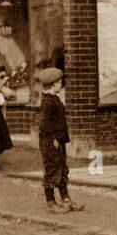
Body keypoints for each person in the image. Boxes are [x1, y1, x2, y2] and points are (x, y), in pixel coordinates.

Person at [37, 67, 81, 212]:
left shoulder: (53, 99)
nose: (61, 84)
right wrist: (54, 139)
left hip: (58, 142)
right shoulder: (48, 102)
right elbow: (44, 125)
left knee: (62, 169)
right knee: (51, 169)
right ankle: (51, 202)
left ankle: (66, 199)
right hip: (51, 143)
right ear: (54, 84)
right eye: (60, 82)